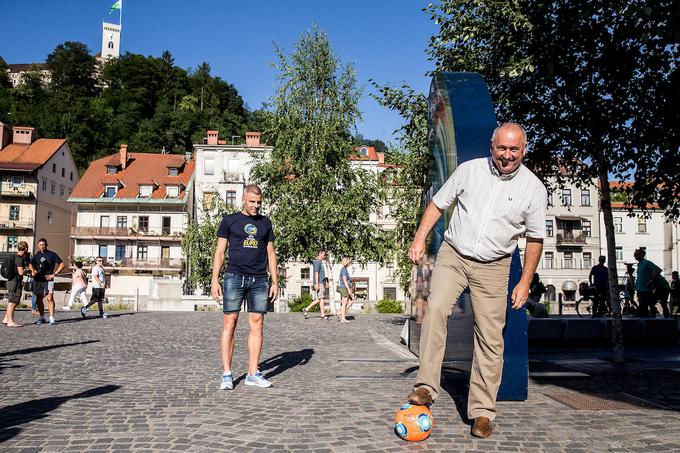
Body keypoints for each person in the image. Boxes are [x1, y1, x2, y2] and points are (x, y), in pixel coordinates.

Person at [405, 123, 546, 439]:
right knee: (436, 309)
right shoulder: (469, 171)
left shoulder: (534, 189)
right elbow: (438, 204)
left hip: (495, 267)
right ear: (491, 146)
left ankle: (482, 412)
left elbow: (535, 239)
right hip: (454, 255)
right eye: (502, 148)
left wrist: (524, 282)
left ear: (524, 150)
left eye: (514, 149)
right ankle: (426, 387)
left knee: (490, 337)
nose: (507, 155)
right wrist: (419, 238)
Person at [211, 184, 278, 390]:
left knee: (257, 324)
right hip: (234, 277)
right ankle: (227, 374)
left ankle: (252, 373)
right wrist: (215, 279)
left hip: (259, 279)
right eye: (252, 202)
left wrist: (275, 281)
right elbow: (220, 252)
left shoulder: (266, 223)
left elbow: (271, 253)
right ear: (243, 199)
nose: (256, 206)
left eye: (259, 202)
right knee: (230, 323)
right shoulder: (229, 221)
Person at [29, 238, 65, 325]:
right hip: (38, 279)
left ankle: (51, 317)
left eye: (43, 245)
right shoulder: (36, 255)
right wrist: (33, 271)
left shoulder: (52, 254)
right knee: (38, 299)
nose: (42, 247)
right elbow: (31, 264)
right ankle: (42, 317)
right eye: (40, 245)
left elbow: (62, 264)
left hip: (48, 279)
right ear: (38, 246)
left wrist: (54, 274)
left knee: (50, 298)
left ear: (46, 245)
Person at [2, 241, 29, 327]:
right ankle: (10, 321)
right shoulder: (19, 259)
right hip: (15, 282)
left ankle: (6, 318)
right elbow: (21, 272)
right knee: (13, 302)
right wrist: (28, 271)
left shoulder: (13, 256)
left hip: (10, 281)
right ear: (25, 248)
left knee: (14, 301)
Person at [634, 248, 663, 318]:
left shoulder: (646, 263)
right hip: (640, 289)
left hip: (646, 289)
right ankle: (645, 318)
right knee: (643, 306)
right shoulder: (640, 264)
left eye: (636, 254)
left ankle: (647, 318)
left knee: (644, 305)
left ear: (641, 255)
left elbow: (658, 269)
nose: (634, 256)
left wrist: (651, 280)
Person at [302, 250, 329, 319]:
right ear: (320, 254)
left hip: (321, 282)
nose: (325, 256)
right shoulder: (317, 262)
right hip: (319, 283)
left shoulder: (320, 262)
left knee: (320, 299)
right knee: (322, 298)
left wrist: (325, 283)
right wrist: (317, 284)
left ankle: (306, 309)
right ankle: (323, 315)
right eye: (324, 254)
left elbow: (322, 274)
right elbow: (316, 273)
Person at [337, 257, 354, 323]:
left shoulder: (345, 269)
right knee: (344, 304)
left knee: (351, 301)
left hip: (345, 287)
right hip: (344, 288)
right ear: (347, 262)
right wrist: (348, 289)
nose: (349, 263)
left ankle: (339, 312)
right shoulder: (343, 269)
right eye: (349, 262)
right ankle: (343, 318)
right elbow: (344, 280)